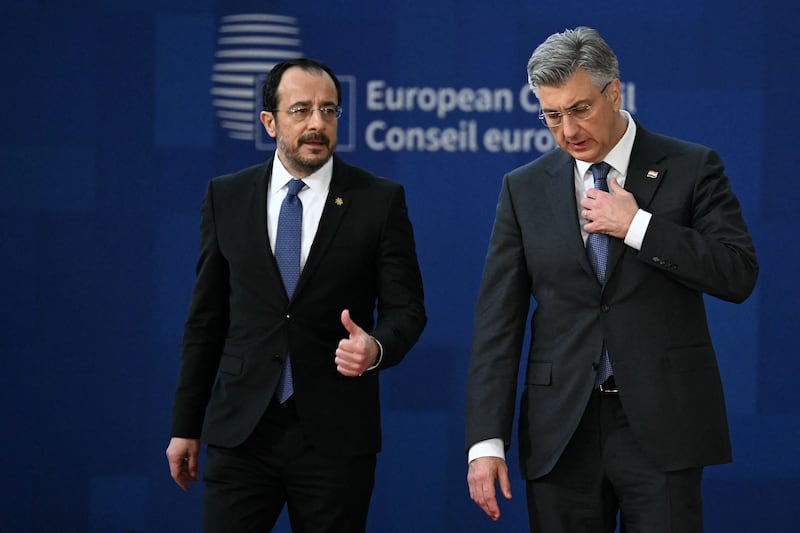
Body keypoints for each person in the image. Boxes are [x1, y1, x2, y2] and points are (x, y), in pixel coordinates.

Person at [465, 27, 758, 532]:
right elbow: (499, 323)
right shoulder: (524, 188)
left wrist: (638, 227)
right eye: (551, 115)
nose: (567, 130)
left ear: (614, 93)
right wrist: (486, 441)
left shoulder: (691, 167)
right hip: (561, 431)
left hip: (663, 427)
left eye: (580, 109)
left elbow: (737, 272)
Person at [166, 58, 426, 533]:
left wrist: (375, 348)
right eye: (301, 110)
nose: (316, 124)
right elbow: (206, 319)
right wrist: (186, 424)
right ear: (269, 121)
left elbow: (407, 309)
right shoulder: (227, 196)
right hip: (241, 432)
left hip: (335, 434)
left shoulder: (378, 199)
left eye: (329, 111)